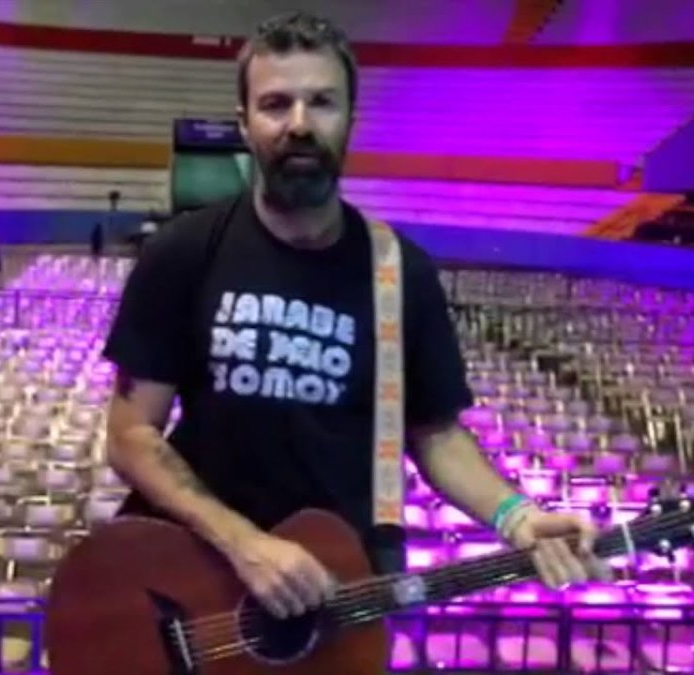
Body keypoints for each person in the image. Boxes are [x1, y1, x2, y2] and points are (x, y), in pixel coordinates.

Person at [102, 11, 610, 623]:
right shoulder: (184, 252)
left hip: (339, 587)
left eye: (321, 102)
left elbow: (437, 433)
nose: (299, 124)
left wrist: (518, 516)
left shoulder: (402, 274)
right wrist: (246, 544)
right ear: (245, 124)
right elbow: (131, 436)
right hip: (198, 584)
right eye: (275, 104)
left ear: (349, 119)